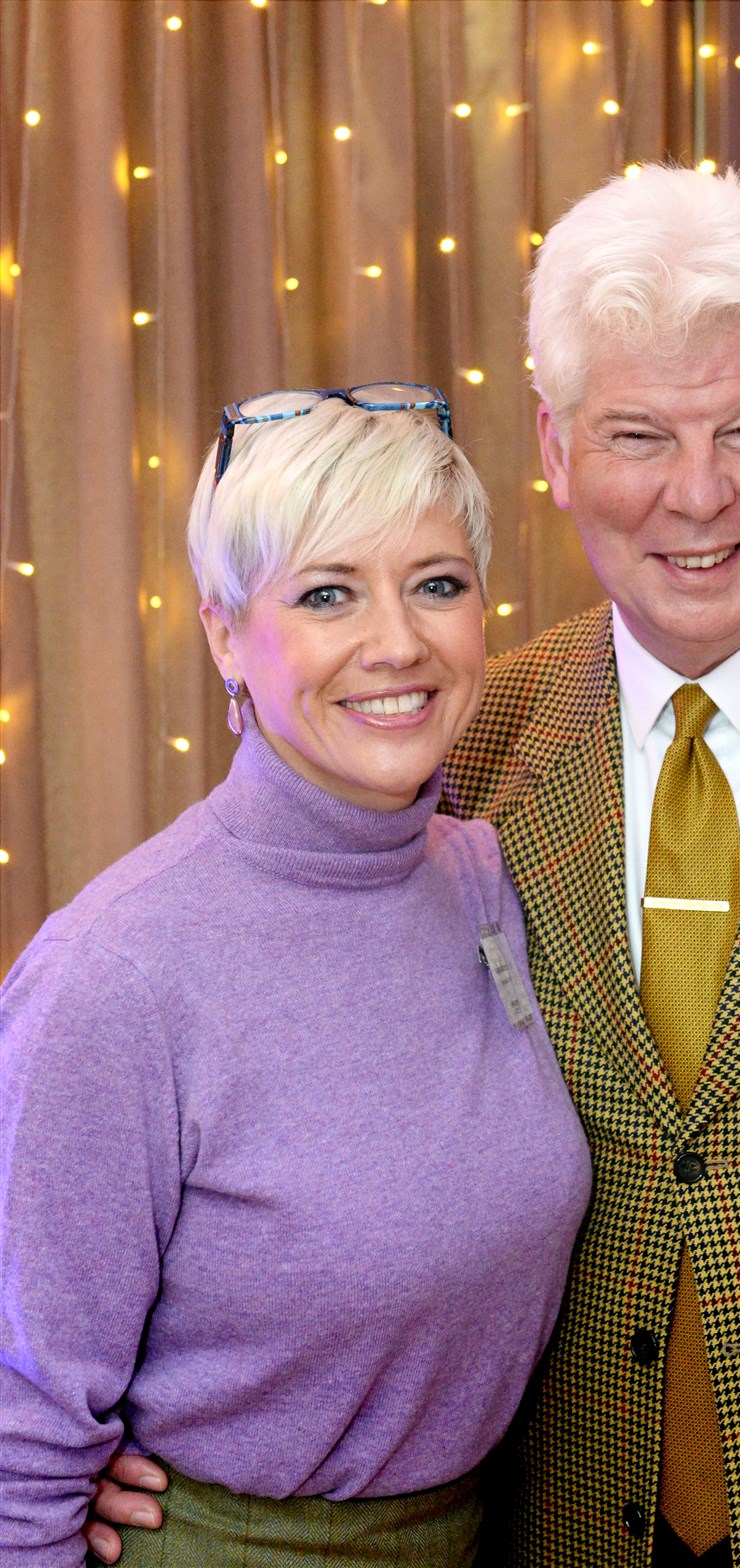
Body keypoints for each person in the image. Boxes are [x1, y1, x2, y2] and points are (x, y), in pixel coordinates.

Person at [91, 165, 740, 1567]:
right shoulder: (458, 735)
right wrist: (172, 1457)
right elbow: (267, 1059)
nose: (697, 494)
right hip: (556, 1527)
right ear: (553, 448)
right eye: (636, 435)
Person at [0, 386, 593, 1567]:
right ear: (226, 632)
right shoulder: (116, 974)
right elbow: (19, 1435)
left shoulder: (483, 874)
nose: (398, 642)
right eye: (328, 592)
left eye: (438, 582)